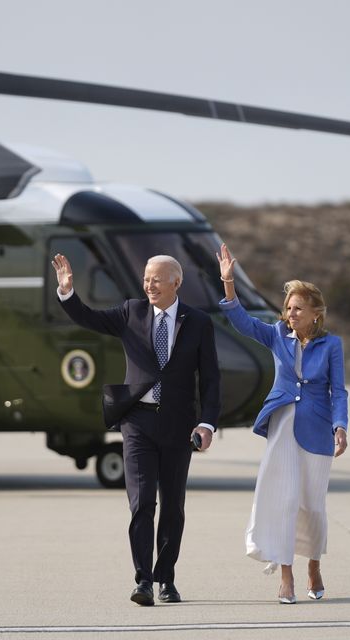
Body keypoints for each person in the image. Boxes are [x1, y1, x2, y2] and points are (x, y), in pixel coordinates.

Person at [51, 253, 221, 606]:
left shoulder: (199, 322)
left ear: (176, 282)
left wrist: (206, 423)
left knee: (173, 507)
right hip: (137, 423)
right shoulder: (131, 312)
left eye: (157, 279)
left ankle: (166, 580)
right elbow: (89, 319)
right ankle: (143, 580)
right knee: (142, 503)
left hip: (178, 425)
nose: (149, 285)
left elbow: (210, 379)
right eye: (146, 279)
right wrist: (67, 293)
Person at [216, 243, 348, 604]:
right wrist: (228, 283)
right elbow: (241, 321)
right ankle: (286, 576)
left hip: (319, 428)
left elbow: (339, 391)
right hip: (283, 426)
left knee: (313, 506)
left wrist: (341, 426)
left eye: (298, 308)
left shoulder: (332, 345)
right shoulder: (276, 335)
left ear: (315, 314)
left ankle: (314, 565)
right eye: (288, 307)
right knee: (285, 500)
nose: (291, 313)